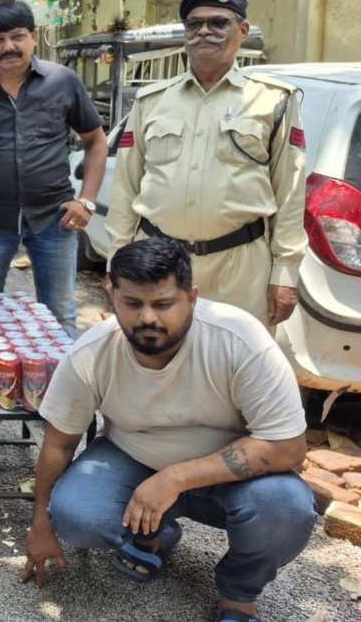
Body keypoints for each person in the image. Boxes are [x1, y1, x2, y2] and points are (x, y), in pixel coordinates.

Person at [23, 238, 315, 622]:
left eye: (163, 304)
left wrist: (175, 477)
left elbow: (289, 448)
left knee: (287, 508)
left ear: (192, 297)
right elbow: (58, 444)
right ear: (111, 293)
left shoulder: (240, 340)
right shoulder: (91, 353)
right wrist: (40, 522)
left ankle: (238, 594)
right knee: (76, 513)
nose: (148, 318)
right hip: (134, 458)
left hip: (229, 476)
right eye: (133, 303)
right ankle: (154, 533)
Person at [106, 0, 306, 328]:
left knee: (236, 356)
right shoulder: (152, 101)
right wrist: (117, 262)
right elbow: (126, 187)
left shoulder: (273, 100)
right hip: (158, 263)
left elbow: (290, 191)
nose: (204, 31)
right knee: (158, 354)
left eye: (218, 23)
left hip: (240, 269)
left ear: (242, 30)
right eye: (194, 24)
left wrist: (285, 273)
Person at [0, 1, 107, 342]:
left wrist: (87, 201)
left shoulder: (63, 82)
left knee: (59, 313)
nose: (8, 47)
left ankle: (62, 377)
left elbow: (96, 141)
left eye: (17, 36)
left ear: (33, 37)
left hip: (55, 220)